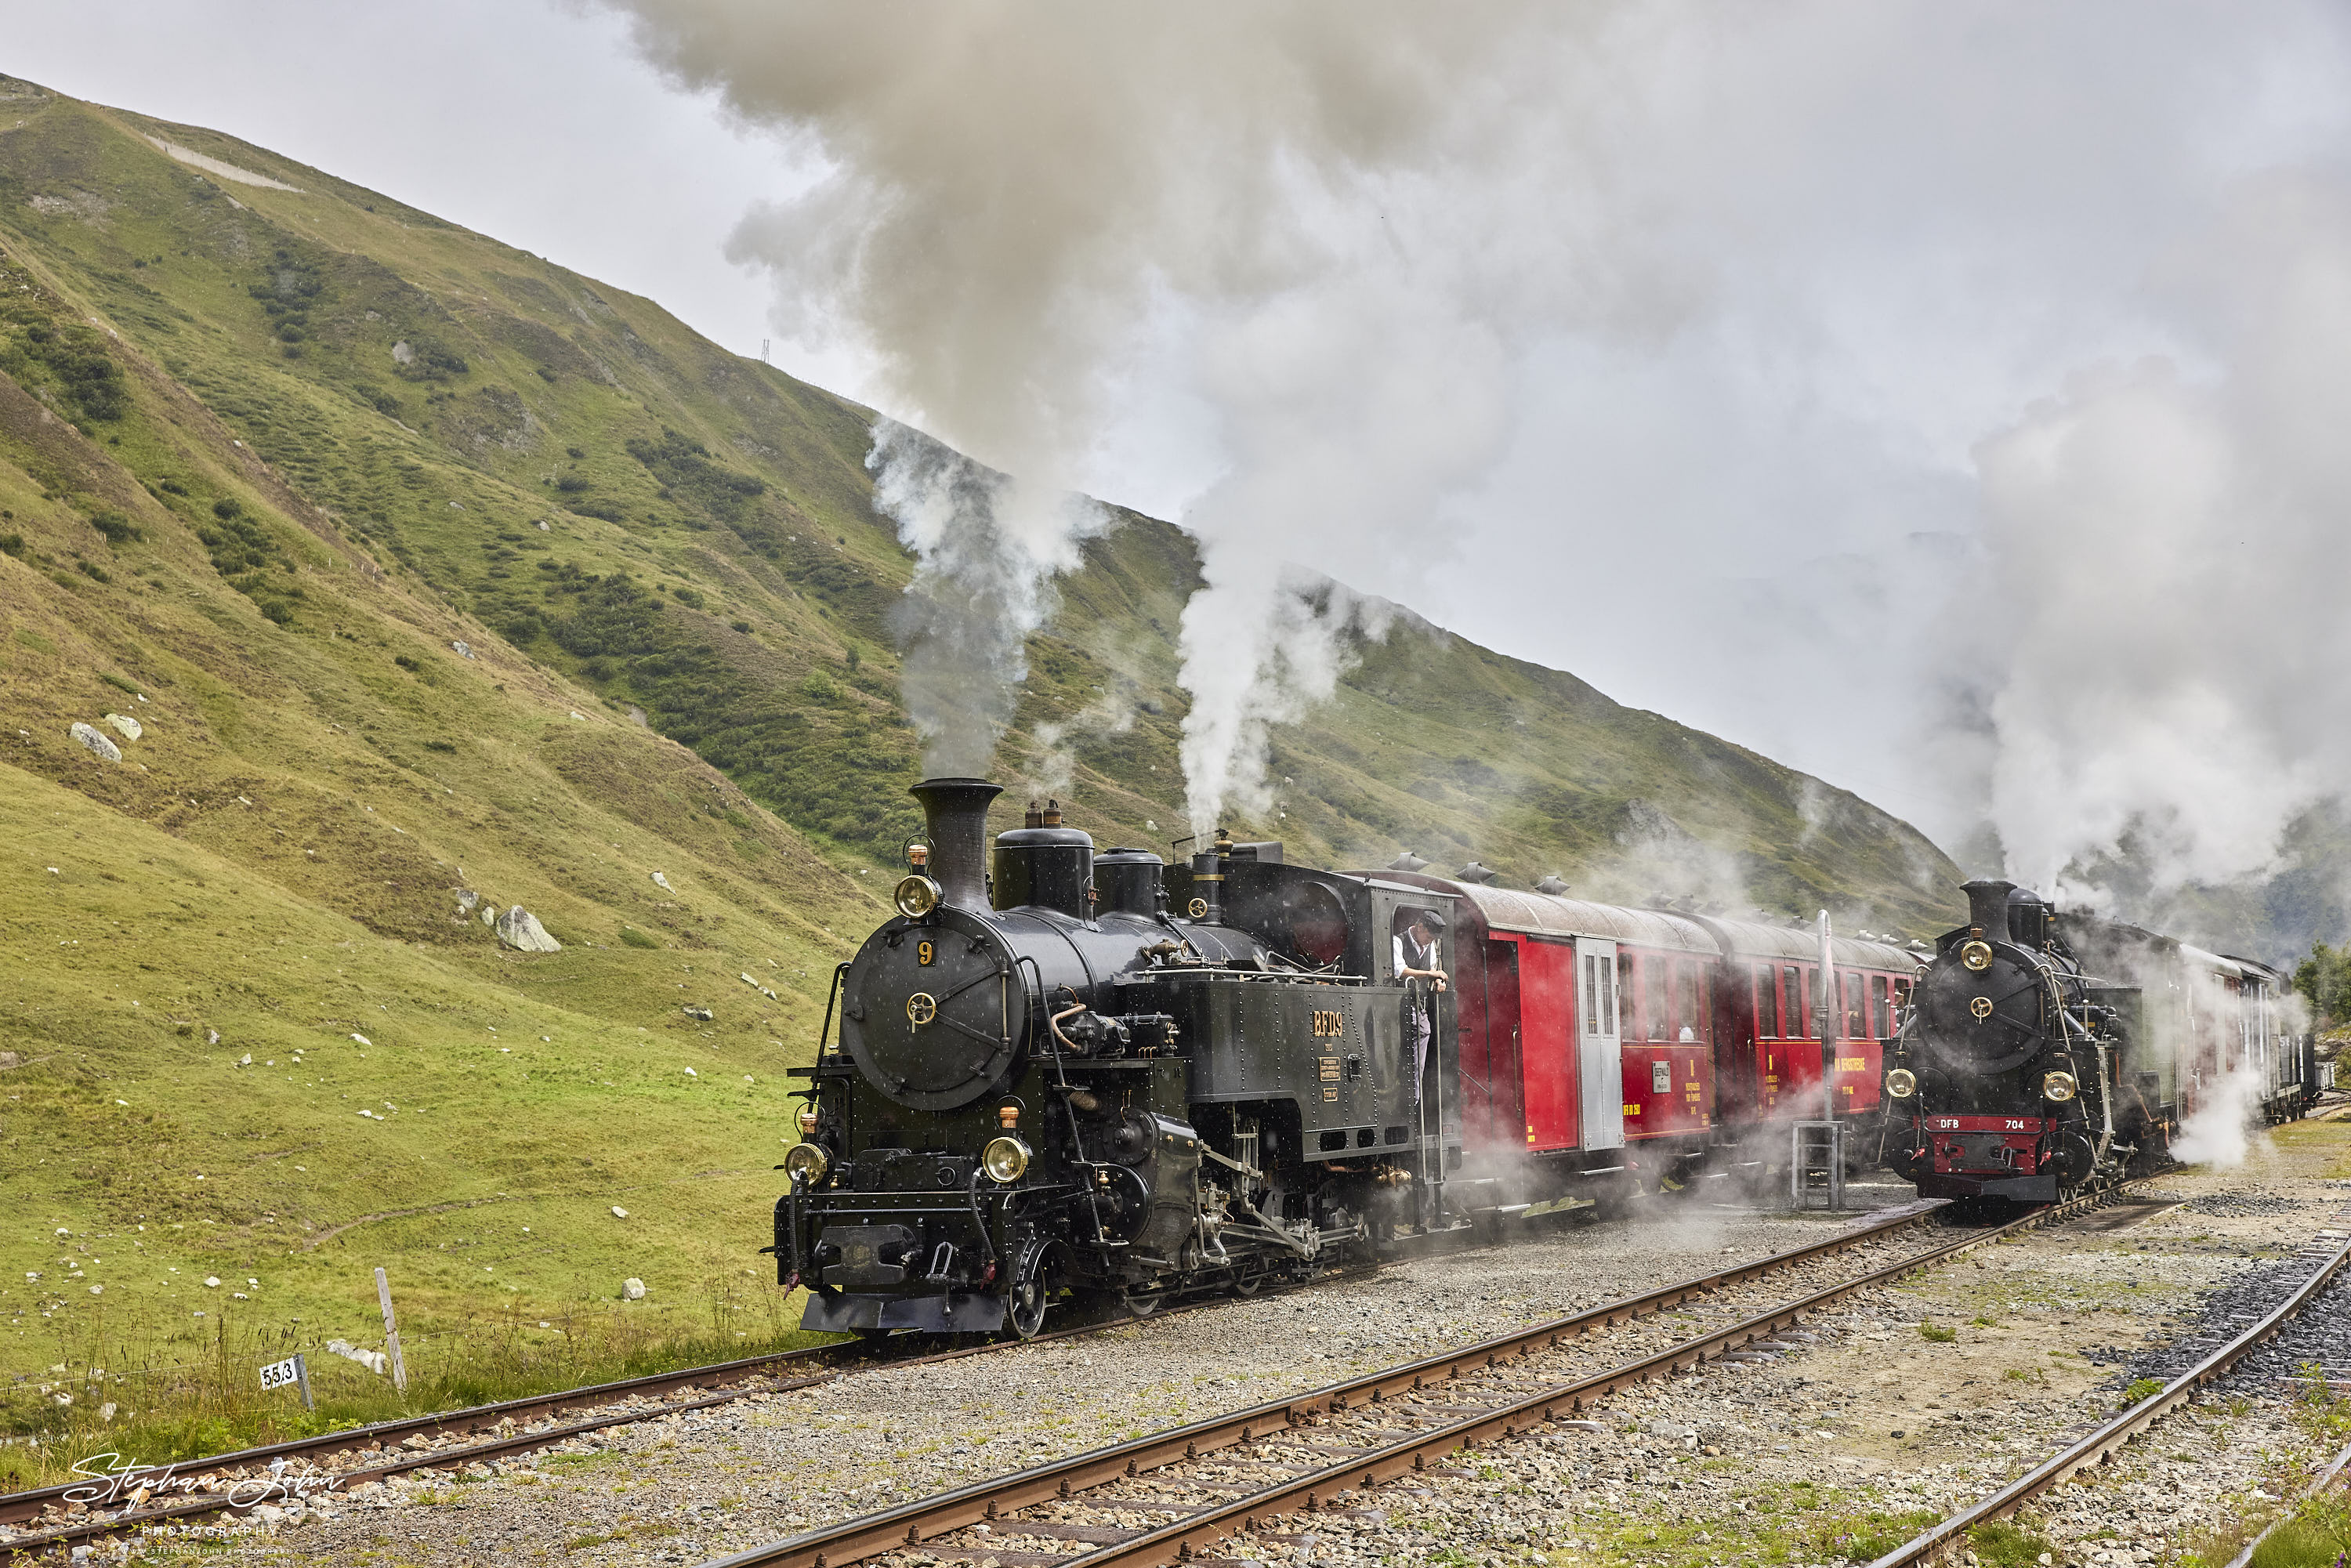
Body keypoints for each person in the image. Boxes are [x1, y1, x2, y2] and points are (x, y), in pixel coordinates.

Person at [1393, 910, 1448, 1132]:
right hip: (1397, 1010)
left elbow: (1433, 972)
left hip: (1419, 1009)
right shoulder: (1397, 941)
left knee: (1421, 1048)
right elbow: (1400, 972)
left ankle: (1413, 1099)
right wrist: (1431, 976)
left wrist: (1438, 983)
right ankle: (1406, 1100)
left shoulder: (1431, 948)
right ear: (1419, 927)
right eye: (1430, 936)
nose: (1431, 941)